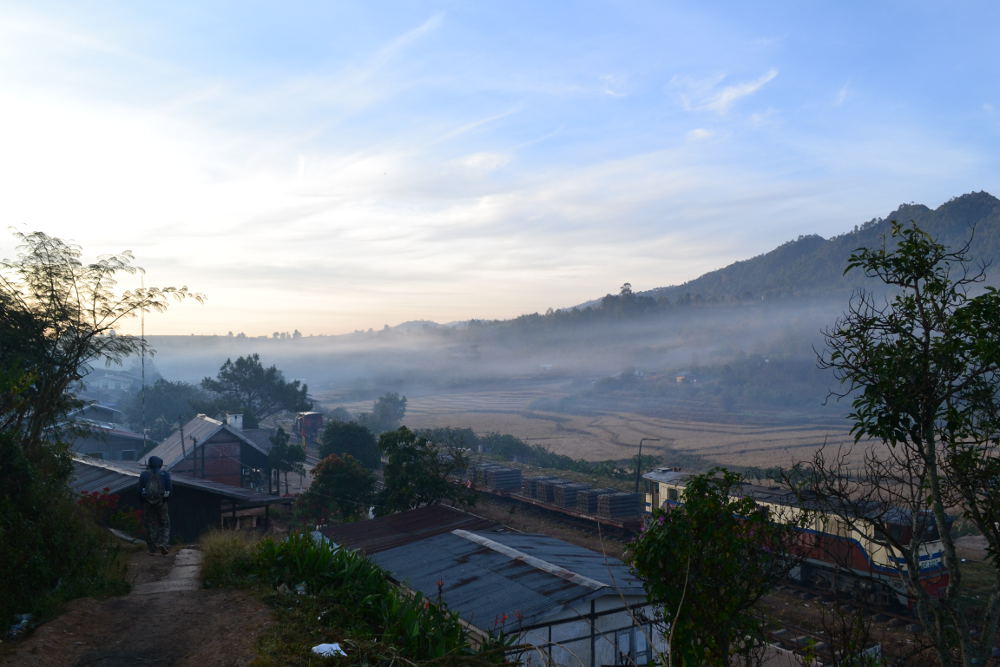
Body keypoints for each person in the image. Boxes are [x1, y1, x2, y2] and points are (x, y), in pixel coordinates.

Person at [138, 455, 172, 555]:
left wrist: (142, 502)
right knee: (165, 524)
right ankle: (163, 544)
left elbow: (139, 490)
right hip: (161, 502)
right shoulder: (165, 474)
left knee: (149, 525)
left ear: (149, 464)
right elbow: (169, 489)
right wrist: (166, 500)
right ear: (160, 464)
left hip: (147, 503)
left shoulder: (144, 475)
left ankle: (152, 549)